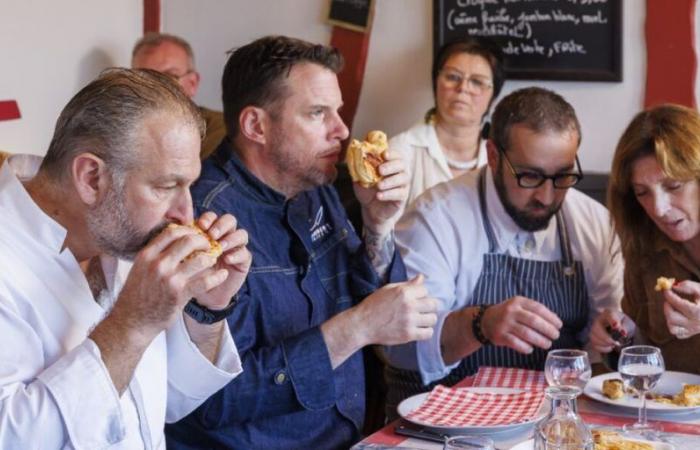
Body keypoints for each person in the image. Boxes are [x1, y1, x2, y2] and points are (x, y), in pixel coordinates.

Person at [165, 35, 439, 449]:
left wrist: (378, 225)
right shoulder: (202, 223)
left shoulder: (314, 184)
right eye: (317, 114)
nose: (342, 131)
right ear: (255, 125)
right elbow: (209, 401)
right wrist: (357, 327)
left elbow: (385, 316)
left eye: (338, 112)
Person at [0, 68, 252, 448]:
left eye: (189, 185)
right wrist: (131, 324)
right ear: (91, 178)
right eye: (166, 186)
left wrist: (207, 311)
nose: (186, 213)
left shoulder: (119, 234)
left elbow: (162, 405)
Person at [384, 87, 624, 414]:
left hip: (554, 420)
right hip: (447, 422)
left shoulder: (592, 222)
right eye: (530, 176)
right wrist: (480, 324)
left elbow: (604, 349)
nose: (547, 196)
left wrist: (611, 336)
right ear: (493, 156)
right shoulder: (435, 217)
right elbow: (402, 347)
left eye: (563, 176)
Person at [595, 104, 700, 374]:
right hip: (671, 412)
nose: (659, 209)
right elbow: (647, 361)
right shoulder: (644, 250)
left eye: (673, 186)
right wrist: (624, 336)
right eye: (642, 193)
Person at [389, 36, 505, 208]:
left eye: (477, 82)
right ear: (436, 83)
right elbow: (382, 231)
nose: (463, 88)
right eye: (452, 77)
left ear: (493, 97)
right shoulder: (399, 151)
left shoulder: (504, 160)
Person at [132, 32, 226, 159]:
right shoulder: (120, 132)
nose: (155, 88)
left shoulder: (221, 129)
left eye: (169, 77)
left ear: (192, 83)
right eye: (144, 78)